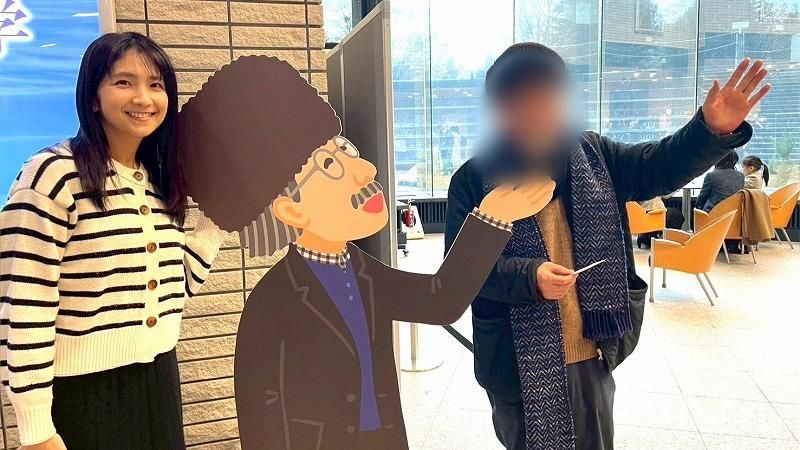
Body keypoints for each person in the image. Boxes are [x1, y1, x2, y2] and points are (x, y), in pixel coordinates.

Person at [171, 56, 554, 450]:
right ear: (291, 210)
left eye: (345, 150)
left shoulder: (360, 269)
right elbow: (262, 423)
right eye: (329, 164)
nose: (365, 171)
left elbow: (440, 300)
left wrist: (490, 219)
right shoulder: (270, 302)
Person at [445, 42, 768, 450]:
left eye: (545, 99)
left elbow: (659, 165)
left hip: (592, 350)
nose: (535, 114)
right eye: (520, 103)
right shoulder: (472, 181)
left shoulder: (597, 157)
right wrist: (530, 277)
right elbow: (462, 274)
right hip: (516, 360)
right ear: (499, 110)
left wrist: (710, 130)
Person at [0, 32, 224, 450]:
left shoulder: (157, 180)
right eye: (124, 82)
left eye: (156, 84)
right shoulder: (53, 174)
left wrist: (217, 220)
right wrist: (35, 427)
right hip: (82, 394)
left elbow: (175, 289)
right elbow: (25, 301)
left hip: (159, 379)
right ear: (92, 97)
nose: (143, 98)